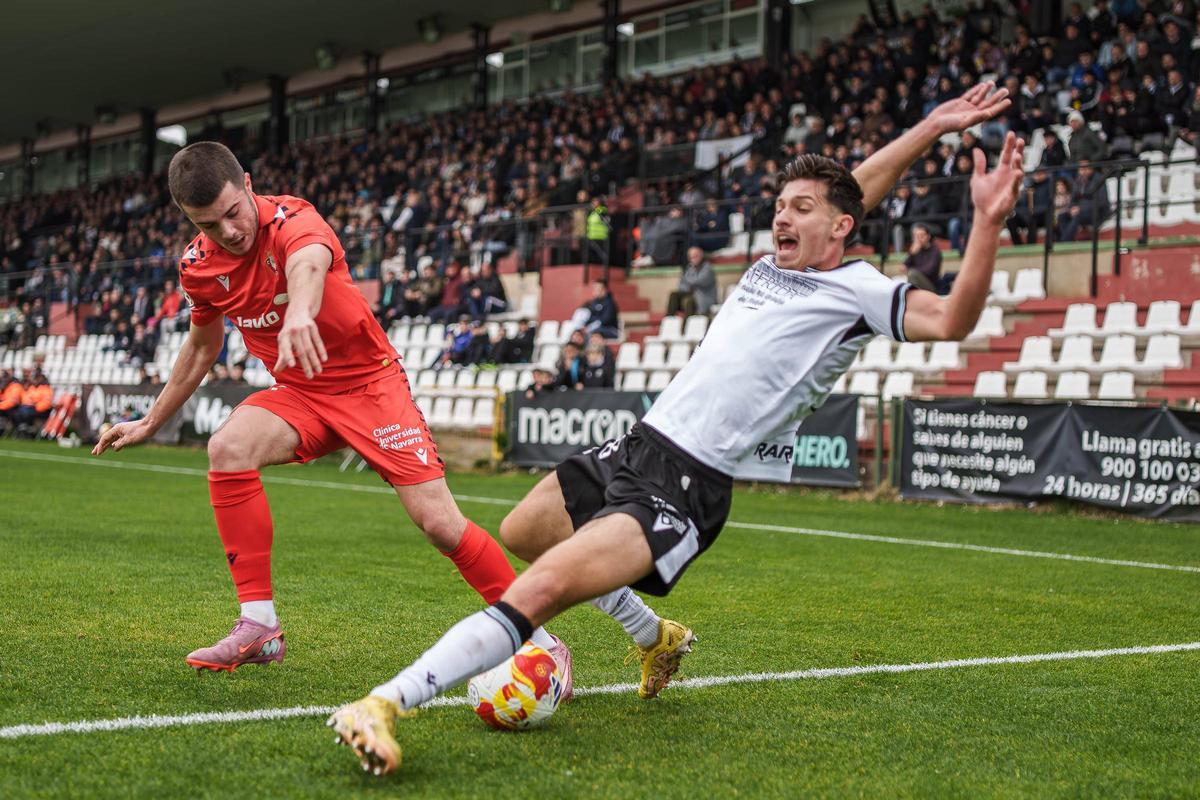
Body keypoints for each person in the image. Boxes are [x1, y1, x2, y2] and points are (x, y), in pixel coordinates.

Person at [328, 83, 1022, 777]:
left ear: (842, 227)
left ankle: (383, 704)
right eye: (779, 205)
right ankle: (656, 636)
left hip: (685, 485)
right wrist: (932, 124)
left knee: (536, 590)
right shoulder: (772, 263)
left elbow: (952, 319)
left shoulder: (861, 292)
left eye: (801, 210)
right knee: (524, 531)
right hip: (639, 441)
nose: (782, 216)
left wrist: (986, 221)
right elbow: (850, 187)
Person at [89, 142, 588, 676]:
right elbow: (202, 346)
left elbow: (309, 262)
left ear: (250, 185)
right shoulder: (199, 266)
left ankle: (539, 636)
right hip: (302, 397)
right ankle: (258, 624)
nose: (229, 231)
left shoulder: (294, 220)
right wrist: (151, 421)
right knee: (227, 446)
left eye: (234, 213)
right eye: (210, 225)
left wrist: (300, 314)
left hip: (370, 387)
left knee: (441, 525)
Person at [666, 247, 718, 317]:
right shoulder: (690, 268)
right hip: (691, 293)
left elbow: (699, 281)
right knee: (673, 295)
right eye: (691, 257)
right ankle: (669, 319)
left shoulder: (707, 268)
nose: (693, 259)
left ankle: (687, 324)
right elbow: (681, 284)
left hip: (704, 298)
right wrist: (688, 284)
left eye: (696, 256)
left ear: (701, 255)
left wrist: (687, 280)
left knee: (687, 301)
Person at [904, 224, 943, 293]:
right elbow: (903, 267)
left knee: (912, 274)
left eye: (922, 236)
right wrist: (911, 254)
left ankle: (914, 300)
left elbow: (929, 271)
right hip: (916, 281)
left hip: (931, 286)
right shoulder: (915, 250)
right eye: (916, 236)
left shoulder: (935, 251)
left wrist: (911, 270)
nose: (919, 239)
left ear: (928, 236)